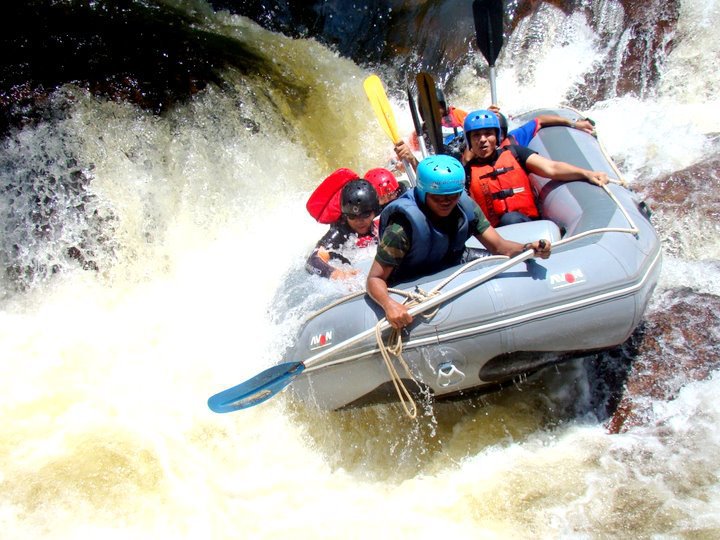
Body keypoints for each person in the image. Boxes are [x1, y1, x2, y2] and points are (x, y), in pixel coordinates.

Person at [366, 155, 551, 329]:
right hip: (412, 276)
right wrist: (389, 304)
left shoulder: (465, 205)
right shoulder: (401, 228)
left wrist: (529, 248)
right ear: (423, 193)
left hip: (454, 260)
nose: (446, 202)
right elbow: (374, 278)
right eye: (438, 197)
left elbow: (499, 247)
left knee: (504, 264)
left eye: (453, 195)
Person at [462, 109, 609, 227]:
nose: (482, 140)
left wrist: (586, 173)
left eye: (488, 134)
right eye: (476, 135)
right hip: (495, 237)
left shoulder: (515, 153)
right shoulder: (466, 172)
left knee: (510, 219)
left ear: (497, 136)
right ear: (469, 140)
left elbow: (552, 168)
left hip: (529, 225)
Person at [306, 179, 380, 280]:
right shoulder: (341, 232)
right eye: (352, 216)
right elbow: (312, 261)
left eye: (365, 215)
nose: (359, 221)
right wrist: (337, 274)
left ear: (375, 211)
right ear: (345, 216)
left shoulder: (382, 219)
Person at [489, 105, 596, 148]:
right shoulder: (475, 151)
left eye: (499, 134)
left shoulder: (514, 138)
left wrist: (574, 124)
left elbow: (541, 120)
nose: (486, 140)